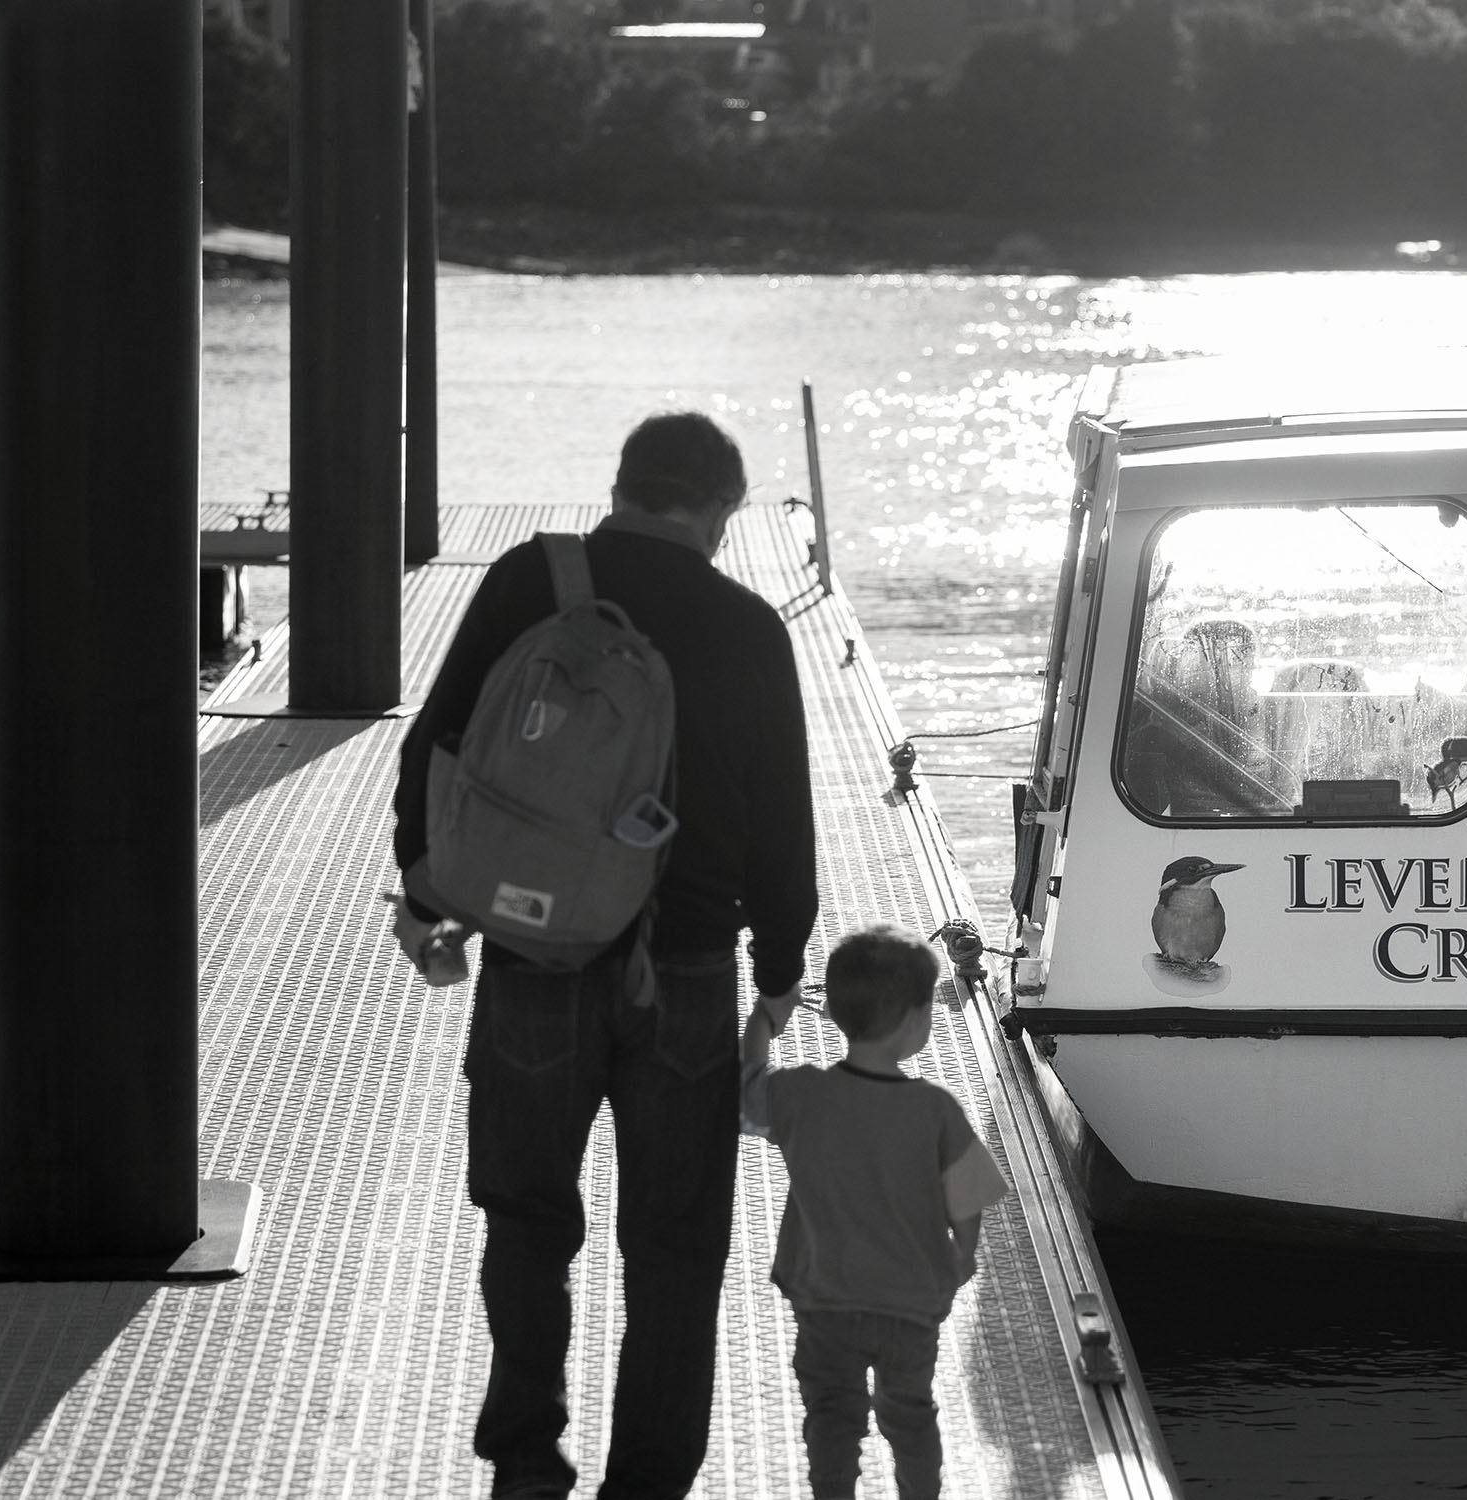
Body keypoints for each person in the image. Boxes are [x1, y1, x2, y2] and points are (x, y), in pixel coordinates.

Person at [392, 411, 818, 1500]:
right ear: (719, 510)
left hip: (536, 958)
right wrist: (777, 976)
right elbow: (783, 827)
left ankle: (527, 1468)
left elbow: (437, 741)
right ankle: (647, 1488)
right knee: (675, 1255)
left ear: (620, 487)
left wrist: (424, 897)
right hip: (682, 972)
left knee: (528, 1224)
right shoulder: (749, 627)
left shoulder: (532, 581)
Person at [739, 923, 1010, 1500]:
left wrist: (765, 1019)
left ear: (835, 1013)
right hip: (911, 1302)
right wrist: (962, 1256)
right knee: (910, 1413)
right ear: (916, 1024)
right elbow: (966, 1199)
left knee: (832, 1417)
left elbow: (744, 1092)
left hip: (825, 1298)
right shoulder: (935, 1109)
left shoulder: (801, 1096)